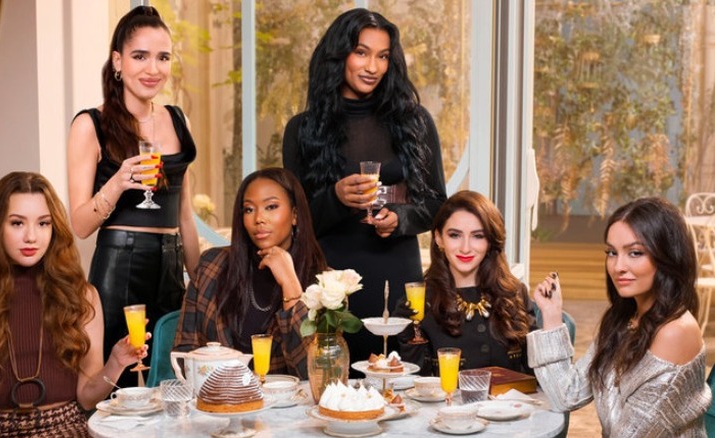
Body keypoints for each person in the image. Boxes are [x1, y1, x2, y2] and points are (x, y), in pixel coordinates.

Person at [282, 8, 447, 365]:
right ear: (339, 55)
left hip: (398, 277)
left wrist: (400, 219)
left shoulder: (415, 123)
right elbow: (294, 221)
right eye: (361, 52)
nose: (373, 66)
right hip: (331, 285)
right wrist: (336, 198)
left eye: (383, 56)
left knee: (399, 386)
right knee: (335, 391)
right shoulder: (303, 130)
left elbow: (437, 206)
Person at [0, 172, 148, 437]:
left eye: (43, 224)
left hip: (67, 429)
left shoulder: (82, 296)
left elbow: (86, 398)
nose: (31, 237)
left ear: (54, 228)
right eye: (17, 223)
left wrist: (116, 363)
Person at [66, 5, 199, 387]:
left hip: (172, 270)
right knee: (122, 386)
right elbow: (79, 224)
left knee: (174, 381)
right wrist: (119, 181)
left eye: (163, 57)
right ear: (118, 61)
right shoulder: (90, 124)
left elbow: (185, 215)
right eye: (140, 56)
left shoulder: (178, 119)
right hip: (119, 268)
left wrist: (202, 285)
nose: (152, 69)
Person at [530, 197, 711, 436]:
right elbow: (567, 394)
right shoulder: (623, 319)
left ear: (667, 256)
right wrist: (552, 316)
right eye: (612, 252)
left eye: (635, 253)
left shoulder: (675, 331)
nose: (618, 266)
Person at [173, 168, 328, 378]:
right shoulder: (212, 266)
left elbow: (315, 374)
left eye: (271, 207)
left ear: (294, 215)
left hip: (286, 408)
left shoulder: (326, 285)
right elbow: (184, 352)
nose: (259, 218)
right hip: (220, 403)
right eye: (248, 209)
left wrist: (290, 284)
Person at [393, 191, 536, 375]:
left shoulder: (515, 293)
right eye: (455, 235)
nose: (465, 248)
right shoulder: (417, 303)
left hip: (515, 403)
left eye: (478, 236)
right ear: (438, 238)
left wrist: (551, 318)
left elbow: (539, 377)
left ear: (490, 241)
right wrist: (407, 335)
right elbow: (417, 387)